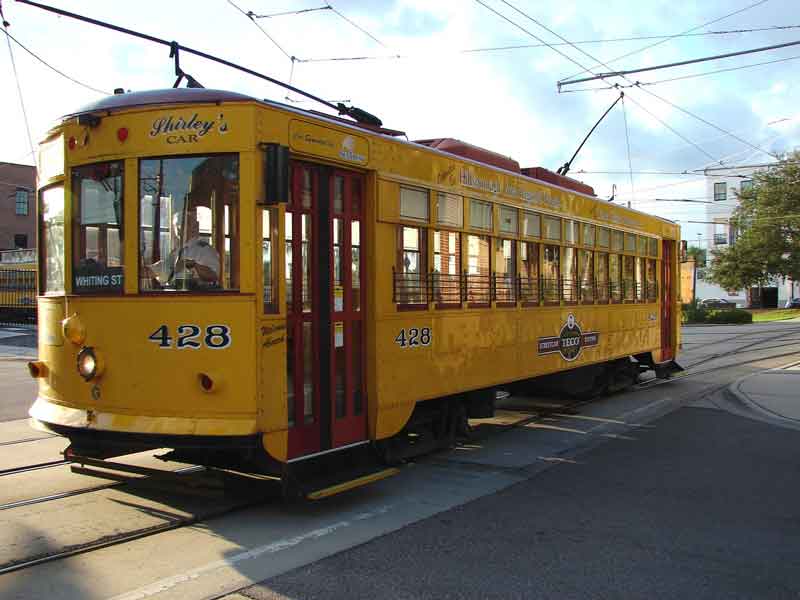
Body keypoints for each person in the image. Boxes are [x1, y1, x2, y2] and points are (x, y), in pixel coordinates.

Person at [145, 209, 220, 289]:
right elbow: (158, 269)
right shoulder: (177, 252)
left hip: (197, 297)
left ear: (194, 227)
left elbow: (213, 275)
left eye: (183, 224)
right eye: (176, 225)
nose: (178, 228)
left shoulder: (204, 250)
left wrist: (194, 265)